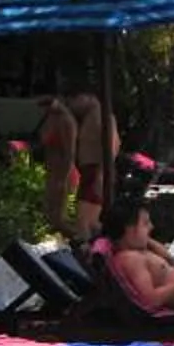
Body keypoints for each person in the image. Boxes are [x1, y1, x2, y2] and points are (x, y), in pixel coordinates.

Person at [33, 91, 118, 242]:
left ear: (89, 97)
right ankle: (103, 244)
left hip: (95, 173)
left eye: (76, 98)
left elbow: (111, 148)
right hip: (89, 173)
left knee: (83, 224)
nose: (73, 103)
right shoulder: (91, 118)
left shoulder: (103, 117)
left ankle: (92, 255)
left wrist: (100, 174)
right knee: (88, 224)